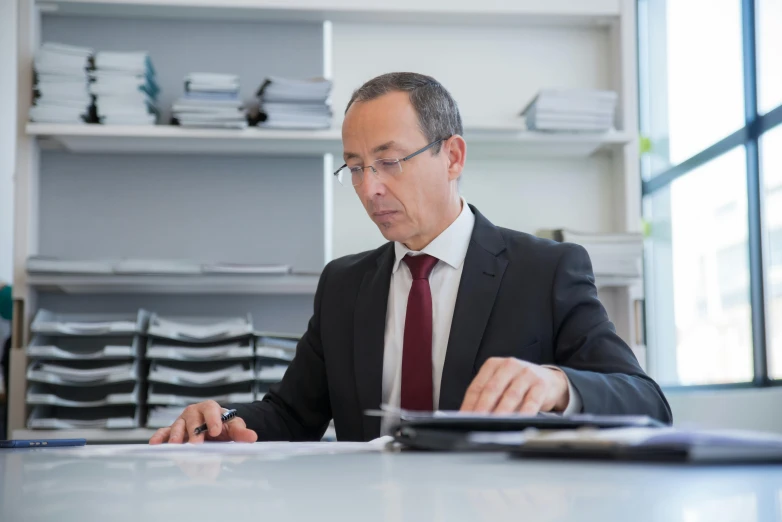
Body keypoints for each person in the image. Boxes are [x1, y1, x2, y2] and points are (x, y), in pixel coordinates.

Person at [150, 72, 671, 444]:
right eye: (354, 168)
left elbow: (648, 404)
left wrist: (557, 384)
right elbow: (293, 414)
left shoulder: (545, 269)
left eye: (389, 162)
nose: (370, 188)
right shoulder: (344, 284)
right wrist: (220, 420)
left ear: (453, 157)